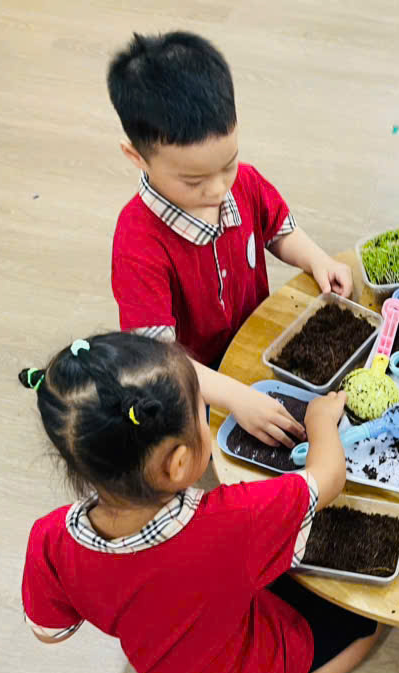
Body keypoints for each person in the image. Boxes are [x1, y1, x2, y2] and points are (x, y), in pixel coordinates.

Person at [18, 333, 380, 673]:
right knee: (365, 626)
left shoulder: (50, 539)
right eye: (201, 415)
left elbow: (50, 632)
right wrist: (321, 420)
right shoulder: (234, 521)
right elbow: (329, 476)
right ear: (177, 463)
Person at [107, 31, 353, 449]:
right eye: (194, 181)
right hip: (194, 379)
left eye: (229, 164)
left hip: (255, 344)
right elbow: (160, 361)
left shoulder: (245, 183)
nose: (219, 188)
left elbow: (279, 229)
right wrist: (237, 398)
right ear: (137, 157)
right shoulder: (138, 245)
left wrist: (317, 259)